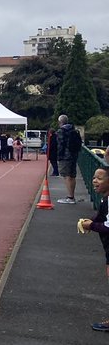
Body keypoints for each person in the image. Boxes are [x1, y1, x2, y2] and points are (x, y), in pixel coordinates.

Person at [78, 167, 109, 332]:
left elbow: (107, 226)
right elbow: (100, 216)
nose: (94, 181)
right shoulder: (105, 200)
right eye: (94, 177)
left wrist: (91, 225)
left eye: (99, 178)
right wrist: (91, 221)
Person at [54, 114, 83, 204]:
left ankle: (70, 197)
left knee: (67, 176)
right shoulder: (73, 129)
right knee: (72, 176)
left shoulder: (61, 131)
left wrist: (58, 156)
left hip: (65, 156)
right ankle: (72, 196)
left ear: (60, 122)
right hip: (74, 155)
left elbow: (60, 145)